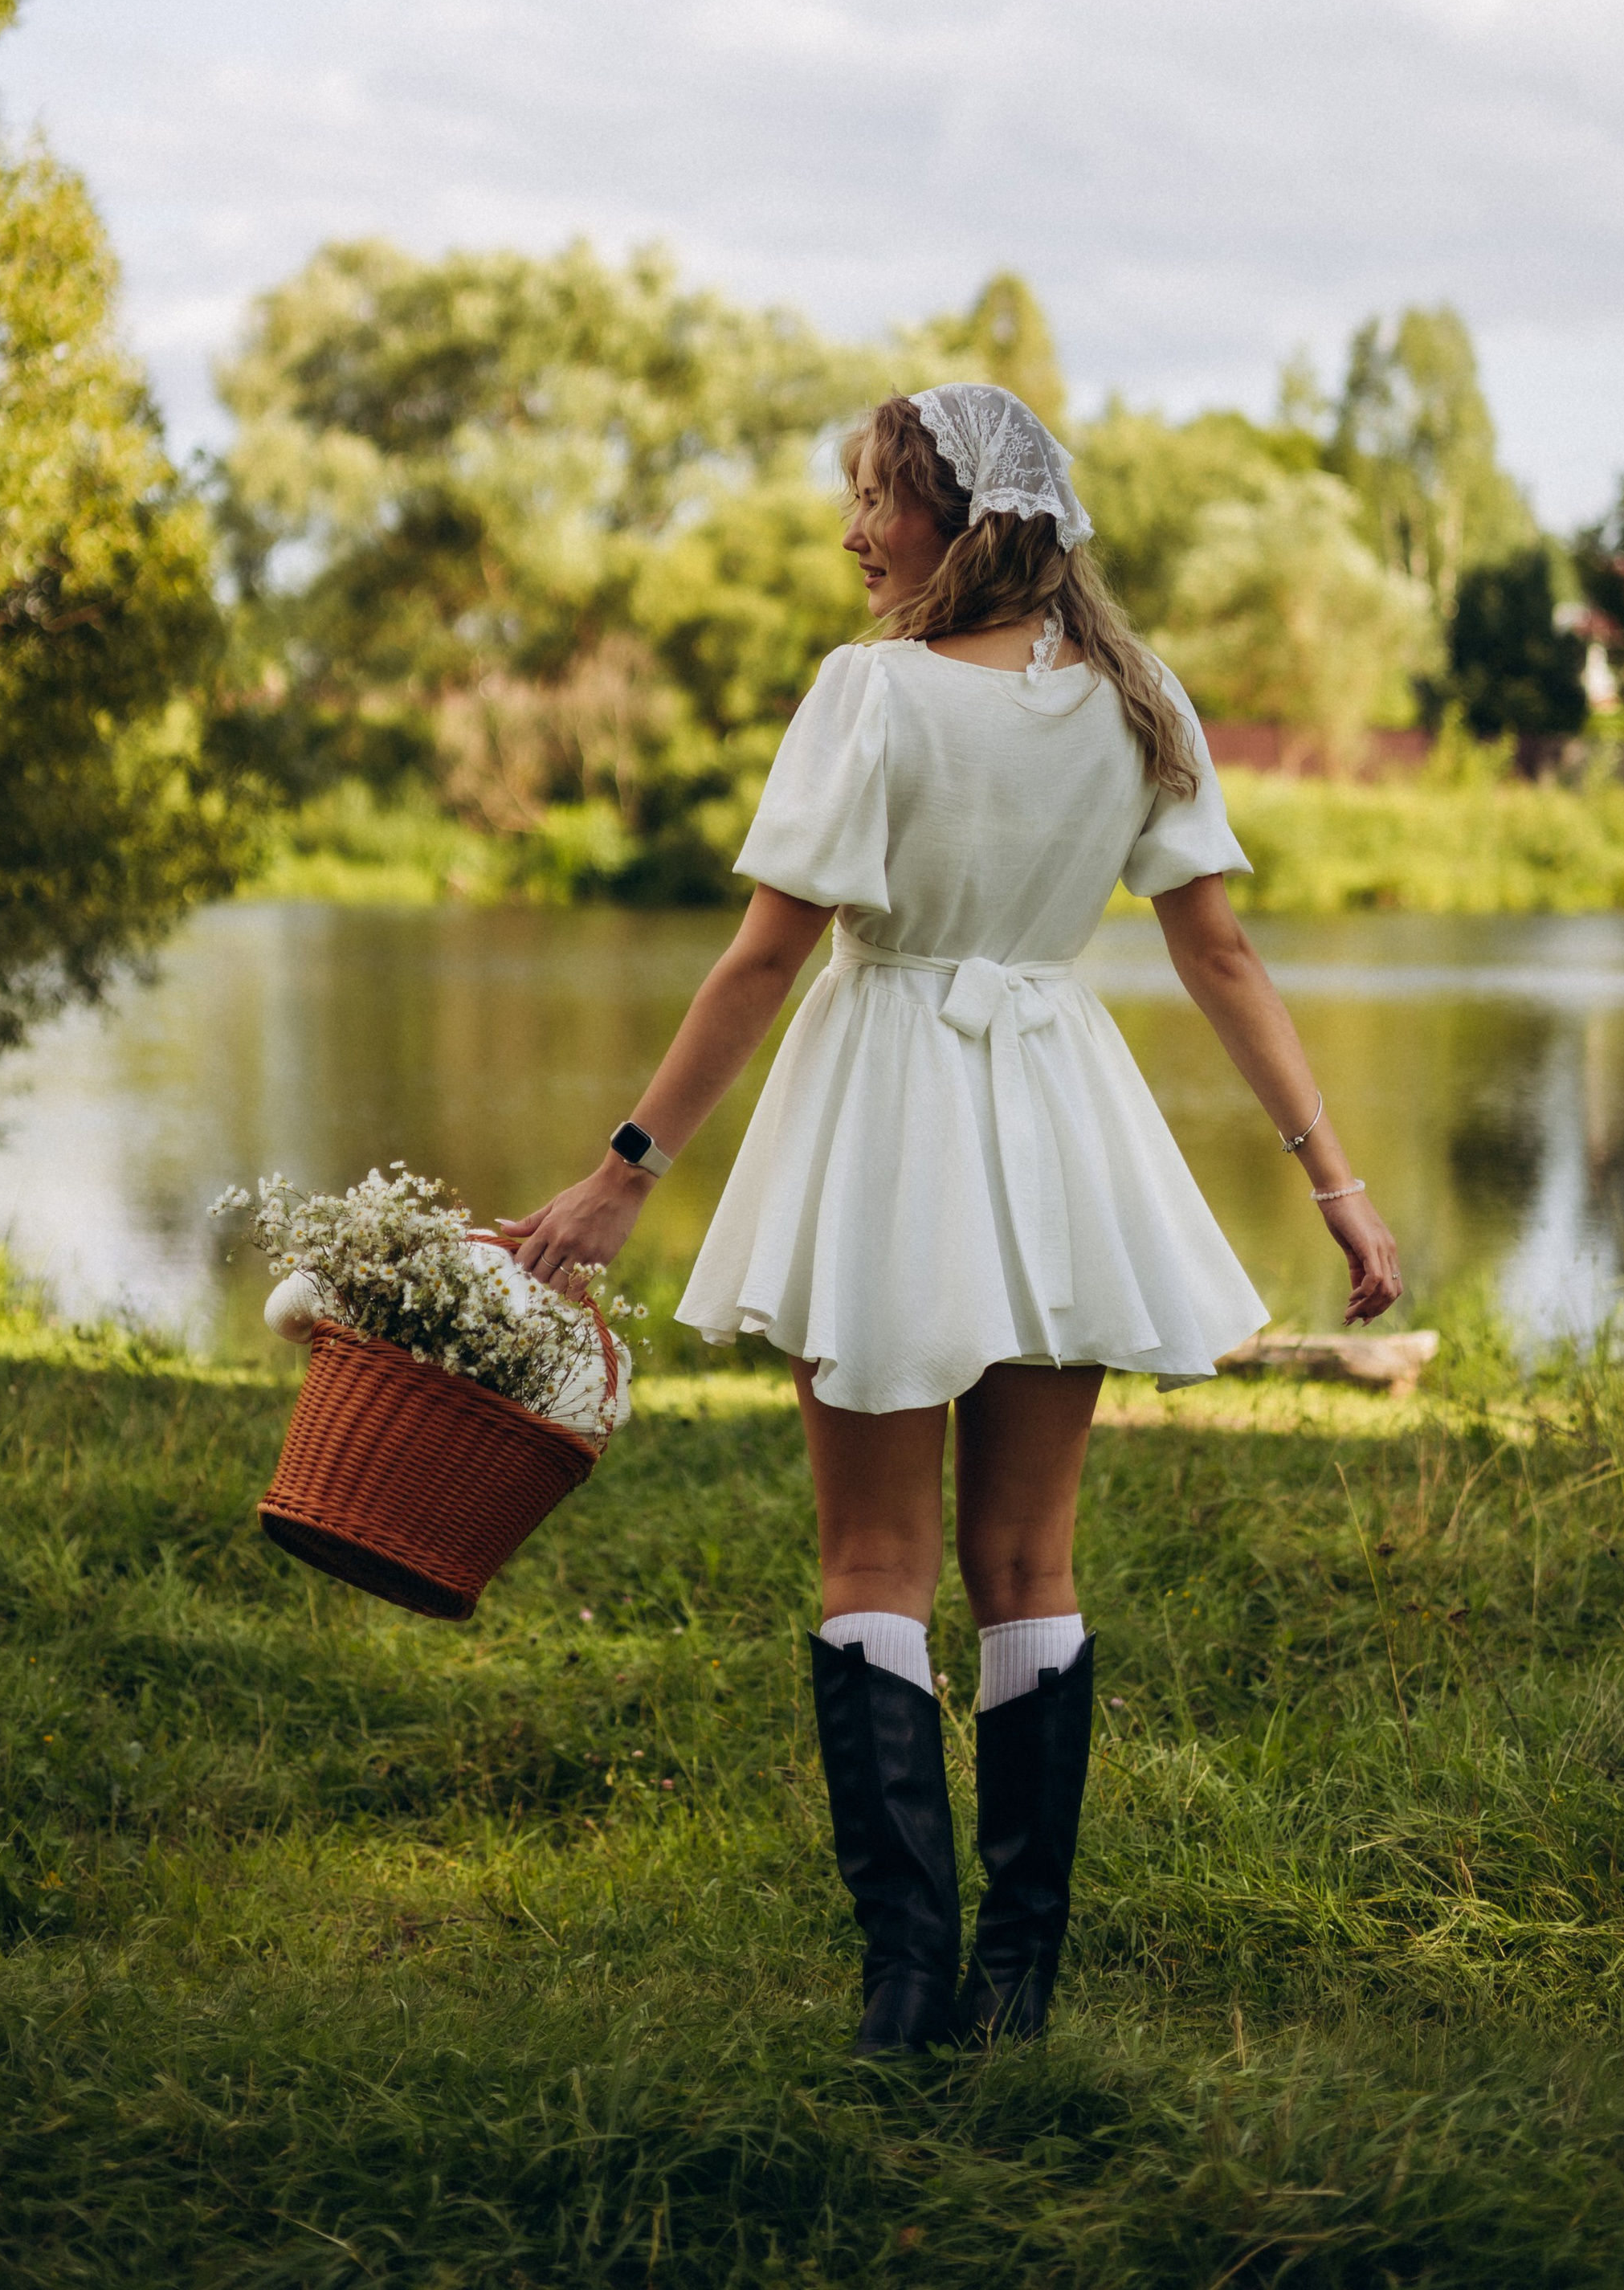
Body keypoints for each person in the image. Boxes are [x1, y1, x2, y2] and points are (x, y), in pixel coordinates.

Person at [509, 383, 1402, 2055]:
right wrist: (1333, 1185)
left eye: (873, 500)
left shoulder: (869, 696)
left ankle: (905, 1984)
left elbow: (765, 958)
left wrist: (624, 1168)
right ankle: (1015, 1989)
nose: (850, 534)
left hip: (886, 1106)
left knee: (873, 1559)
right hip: (1055, 1108)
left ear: (957, 519)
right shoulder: (1137, 701)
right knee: (1025, 1565)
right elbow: (1218, 958)